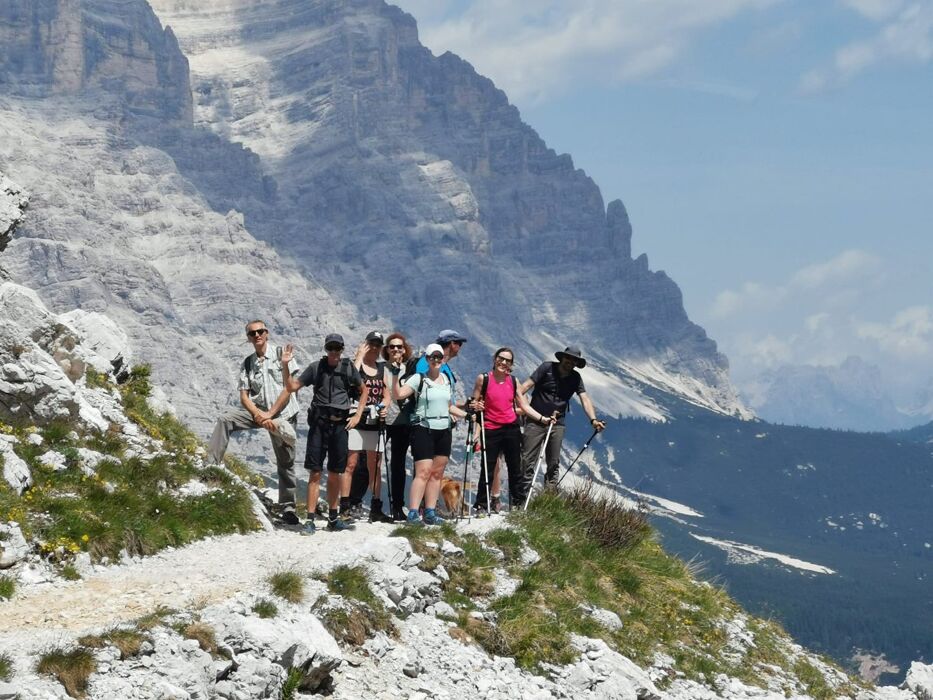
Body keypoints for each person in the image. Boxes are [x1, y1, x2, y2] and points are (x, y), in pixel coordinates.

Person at [208, 320, 300, 525]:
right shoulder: (248, 362)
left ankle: (288, 508)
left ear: (266, 333)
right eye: (252, 333)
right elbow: (244, 396)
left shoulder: (281, 355)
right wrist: (259, 414)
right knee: (225, 419)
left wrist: (270, 414)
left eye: (260, 332)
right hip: (259, 411)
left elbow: (290, 388)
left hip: (282, 414)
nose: (257, 335)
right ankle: (210, 466)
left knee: (286, 461)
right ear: (248, 338)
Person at [273, 333, 368, 533]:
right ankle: (309, 519)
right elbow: (291, 387)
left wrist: (358, 415)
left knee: (335, 472)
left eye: (337, 348)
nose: (334, 352)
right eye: (330, 348)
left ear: (342, 350)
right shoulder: (316, 367)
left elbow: (363, 390)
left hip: (341, 426)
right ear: (326, 349)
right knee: (315, 472)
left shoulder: (348, 368)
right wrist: (285, 366)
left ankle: (333, 518)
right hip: (319, 425)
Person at [470, 347, 554, 513]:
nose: (503, 362)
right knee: (488, 467)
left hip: (511, 429)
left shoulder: (513, 381)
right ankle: (481, 504)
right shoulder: (483, 379)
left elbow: (524, 406)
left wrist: (542, 419)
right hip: (491, 427)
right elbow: (474, 402)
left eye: (508, 360)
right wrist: (475, 407)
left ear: (511, 364)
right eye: (501, 358)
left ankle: (517, 504)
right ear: (495, 359)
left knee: (515, 467)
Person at [394, 343, 468, 525]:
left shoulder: (445, 379)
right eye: (432, 357)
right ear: (426, 359)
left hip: (444, 428)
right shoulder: (419, 378)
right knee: (423, 472)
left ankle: (430, 512)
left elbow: (449, 406)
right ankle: (412, 513)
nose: (436, 360)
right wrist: (395, 375)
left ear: (443, 359)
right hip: (423, 428)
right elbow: (399, 395)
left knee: (437, 473)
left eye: (439, 357)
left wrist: (468, 415)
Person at [520, 346, 606, 489]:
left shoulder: (575, 378)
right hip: (535, 420)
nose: (570, 362)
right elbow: (526, 386)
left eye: (574, 360)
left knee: (553, 463)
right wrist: (514, 403)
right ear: (562, 358)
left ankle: (547, 500)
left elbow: (585, 399)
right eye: (568, 358)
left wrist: (593, 420)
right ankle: (521, 499)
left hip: (557, 424)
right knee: (527, 460)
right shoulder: (546, 368)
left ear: (576, 364)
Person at [344, 331, 392, 523]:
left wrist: (384, 407)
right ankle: (345, 506)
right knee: (351, 463)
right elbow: (349, 382)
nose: (374, 347)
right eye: (371, 343)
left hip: (375, 420)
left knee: (375, 465)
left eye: (378, 344)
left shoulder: (382, 368)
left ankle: (376, 506)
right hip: (356, 417)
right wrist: (358, 358)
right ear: (365, 344)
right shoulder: (356, 365)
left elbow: (387, 394)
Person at [382, 332, 414, 521]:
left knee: (398, 465)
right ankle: (359, 503)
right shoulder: (380, 369)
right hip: (383, 420)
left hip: (403, 422)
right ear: (386, 349)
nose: (395, 349)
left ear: (404, 349)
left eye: (399, 347)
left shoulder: (409, 370)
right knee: (370, 461)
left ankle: (397, 506)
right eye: (392, 346)